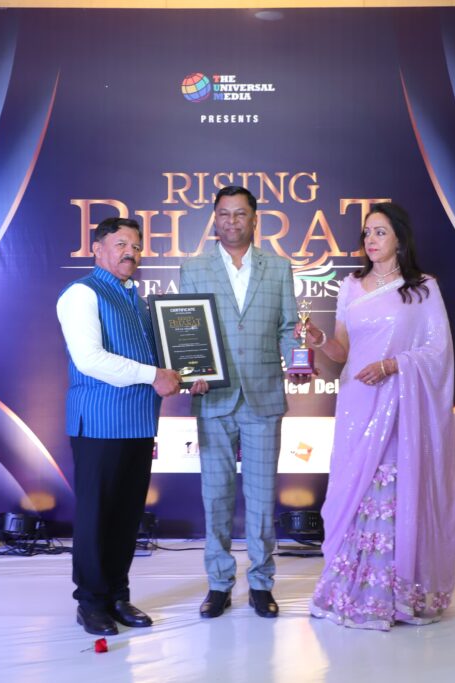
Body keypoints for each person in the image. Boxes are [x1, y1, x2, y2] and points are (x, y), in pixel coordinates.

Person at [297, 202, 455, 631]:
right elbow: (341, 352)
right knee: (354, 490)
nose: (370, 239)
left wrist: (393, 365)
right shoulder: (351, 286)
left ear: (400, 239)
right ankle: (350, 589)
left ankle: (395, 592)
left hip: (401, 405)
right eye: (367, 232)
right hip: (358, 401)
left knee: (392, 491)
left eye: (380, 231)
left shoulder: (422, 288)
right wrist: (319, 339)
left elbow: (437, 352)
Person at [56, 216, 182, 636]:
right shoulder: (82, 293)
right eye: (121, 244)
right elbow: (90, 359)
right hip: (99, 422)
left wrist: (193, 373)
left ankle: (116, 594)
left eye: (136, 246)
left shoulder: (137, 300)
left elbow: (160, 358)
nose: (131, 252)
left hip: (138, 422)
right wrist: (154, 375)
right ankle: (91, 602)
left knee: (127, 516)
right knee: (97, 516)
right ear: (97, 248)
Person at [179, 185, 300, 619]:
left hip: (263, 395)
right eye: (224, 214)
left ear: (254, 219)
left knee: (262, 499)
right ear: (215, 219)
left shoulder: (279, 267)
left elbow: (288, 327)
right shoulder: (193, 268)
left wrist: (297, 360)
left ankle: (262, 584)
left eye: (240, 214)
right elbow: (186, 329)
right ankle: (218, 584)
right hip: (213, 396)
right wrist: (190, 372)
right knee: (215, 498)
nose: (232, 221)